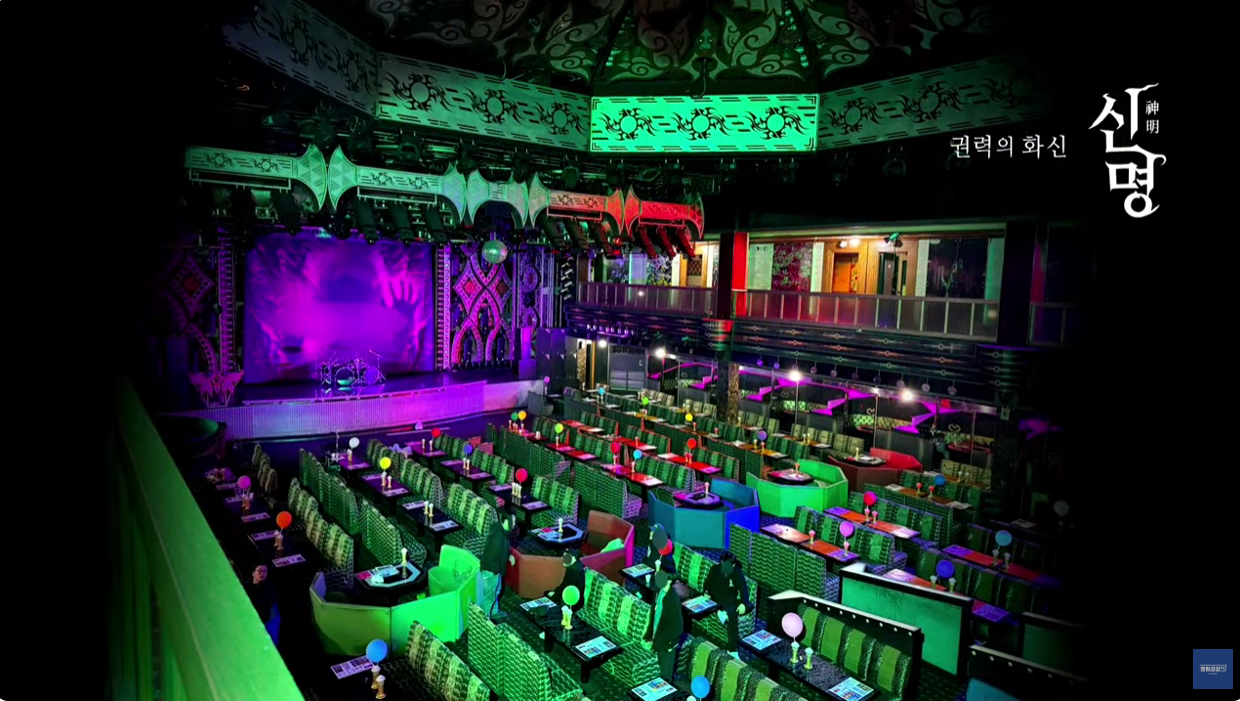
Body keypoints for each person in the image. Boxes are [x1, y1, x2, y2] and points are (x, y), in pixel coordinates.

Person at [704, 551, 751, 657]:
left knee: (744, 607)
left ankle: (721, 612)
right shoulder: (715, 569)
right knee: (732, 615)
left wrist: (743, 603)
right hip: (715, 598)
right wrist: (706, 592)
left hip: (729, 600)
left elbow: (743, 590)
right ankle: (733, 650)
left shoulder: (737, 572)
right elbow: (707, 584)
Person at [645, 571, 684, 682]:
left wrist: (668, 643)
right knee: (661, 669)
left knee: (666, 675)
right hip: (658, 638)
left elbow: (678, 626)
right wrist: (650, 635)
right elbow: (654, 614)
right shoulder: (658, 590)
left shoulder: (673, 599)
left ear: (669, 581)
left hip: (667, 643)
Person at [481, 511, 517, 619]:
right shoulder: (498, 535)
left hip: (494, 570)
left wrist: (509, 556)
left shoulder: (500, 531)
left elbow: (502, 550)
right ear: (506, 521)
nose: (514, 524)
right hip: (491, 570)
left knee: (496, 591)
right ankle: (486, 620)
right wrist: (500, 569)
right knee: (489, 596)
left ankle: (494, 612)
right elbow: (495, 555)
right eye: (512, 521)